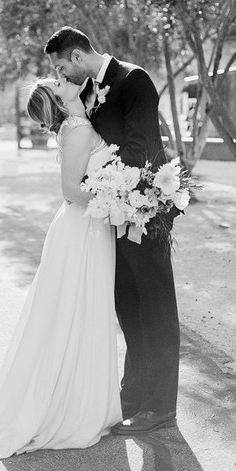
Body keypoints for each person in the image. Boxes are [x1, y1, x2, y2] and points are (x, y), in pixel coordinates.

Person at [0, 77, 121, 459]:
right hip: (83, 227)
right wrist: (116, 195)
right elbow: (71, 190)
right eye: (58, 81)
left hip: (89, 226)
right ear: (57, 98)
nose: (64, 79)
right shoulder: (79, 128)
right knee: (72, 310)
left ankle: (76, 394)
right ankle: (64, 405)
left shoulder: (80, 124)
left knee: (81, 310)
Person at [45, 26, 180, 435]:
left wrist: (112, 192)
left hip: (142, 210)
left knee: (155, 307)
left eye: (60, 65)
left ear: (76, 55)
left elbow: (142, 148)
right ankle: (134, 393)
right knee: (128, 306)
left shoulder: (133, 80)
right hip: (111, 214)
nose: (60, 74)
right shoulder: (89, 91)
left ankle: (161, 406)